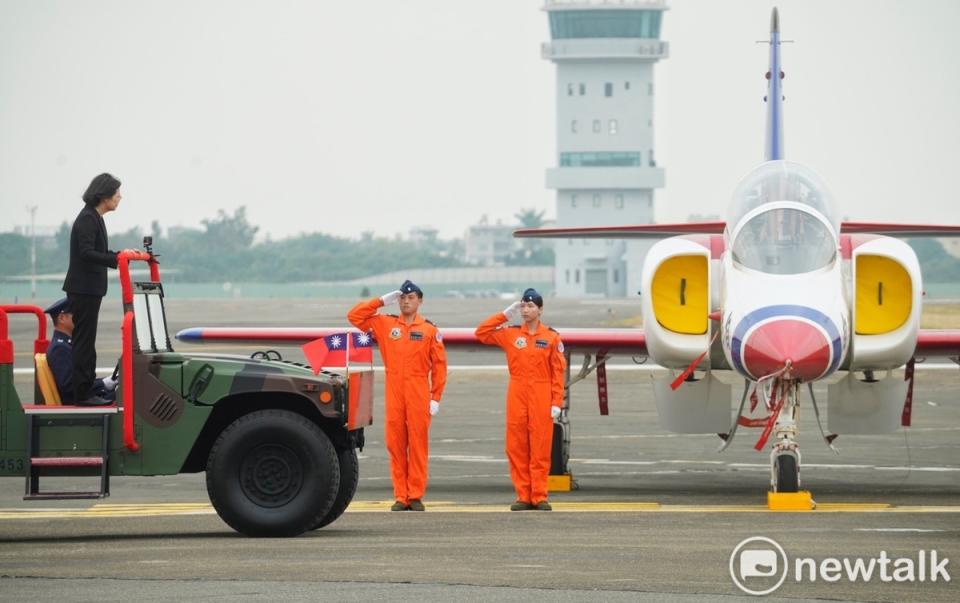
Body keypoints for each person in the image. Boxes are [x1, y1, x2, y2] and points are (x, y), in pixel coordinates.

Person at [347, 279, 447, 511]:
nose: (406, 301)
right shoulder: (384, 323)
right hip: (394, 390)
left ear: (420, 301)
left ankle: (415, 495)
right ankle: (401, 496)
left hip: (418, 391)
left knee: (418, 445)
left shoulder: (429, 330)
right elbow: (355, 316)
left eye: (411, 298)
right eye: (402, 298)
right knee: (395, 444)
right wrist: (382, 301)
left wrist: (435, 397)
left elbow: (440, 365)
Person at [475, 288, 566, 511]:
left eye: (531, 306)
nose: (526, 310)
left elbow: (558, 372)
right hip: (517, 391)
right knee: (516, 446)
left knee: (540, 447)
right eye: (523, 306)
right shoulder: (511, 334)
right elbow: (482, 332)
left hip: (541, 393)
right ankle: (523, 495)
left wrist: (556, 402)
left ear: (540, 310)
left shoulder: (551, 337)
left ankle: (539, 495)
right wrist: (505, 314)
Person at [62, 173, 133, 406]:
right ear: (104, 196)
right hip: (83, 289)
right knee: (84, 341)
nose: (120, 197)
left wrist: (118, 255)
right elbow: (86, 252)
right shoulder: (87, 219)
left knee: (87, 341)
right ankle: (82, 394)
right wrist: (115, 259)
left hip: (90, 289)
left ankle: (88, 387)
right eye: (116, 193)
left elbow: (95, 251)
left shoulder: (95, 218)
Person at [43, 298, 117, 404]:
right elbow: (70, 387)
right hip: (76, 406)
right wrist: (103, 384)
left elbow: (79, 382)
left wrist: (104, 382)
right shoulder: (60, 348)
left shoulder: (66, 344)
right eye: (77, 314)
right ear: (62, 318)